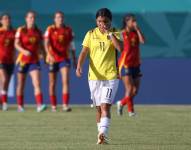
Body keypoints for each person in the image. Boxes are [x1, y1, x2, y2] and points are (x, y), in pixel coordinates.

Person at [76, 8, 122, 144]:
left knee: (105, 106)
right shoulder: (90, 34)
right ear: (96, 21)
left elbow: (120, 48)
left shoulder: (116, 32)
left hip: (111, 75)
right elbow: (84, 52)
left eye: (105, 21)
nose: (102, 24)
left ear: (110, 21)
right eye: (99, 21)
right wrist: (79, 66)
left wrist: (110, 34)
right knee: (98, 109)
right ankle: (100, 135)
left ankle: (103, 133)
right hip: (94, 76)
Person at [44, 11, 77, 112]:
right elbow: (46, 43)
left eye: (61, 17)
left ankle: (65, 105)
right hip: (52, 59)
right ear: (54, 19)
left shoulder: (68, 29)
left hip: (64, 58)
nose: (60, 19)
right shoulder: (50, 29)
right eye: (58, 17)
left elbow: (72, 45)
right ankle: (53, 105)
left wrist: (74, 58)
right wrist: (49, 54)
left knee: (65, 81)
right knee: (52, 83)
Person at [15, 11, 47, 112]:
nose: (32, 19)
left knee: (37, 83)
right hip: (23, 61)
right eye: (30, 17)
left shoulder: (38, 31)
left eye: (33, 17)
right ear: (26, 18)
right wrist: (24, 51)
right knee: (21, 83)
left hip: (34, 61)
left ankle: (39, 105)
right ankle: (20, 106)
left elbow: (41, 46)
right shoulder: (21, 30)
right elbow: (16, 44)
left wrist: (43, 55)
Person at [116, 14, 145, 117]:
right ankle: (131, 111)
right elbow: (118, 46)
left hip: (136, 64)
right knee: (130, 89)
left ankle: (121, 103)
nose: (134, 23)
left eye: (135, 21)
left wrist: (138, 29)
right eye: (132, 21)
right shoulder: (122, 33)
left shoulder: (136, 33)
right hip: (125, 64)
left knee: (135, 90)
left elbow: (143, 41)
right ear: (127, 22)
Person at [0, 13, 15, 111]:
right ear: (1, 21)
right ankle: (5, 103)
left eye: (8, 18)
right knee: (4, 79)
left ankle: (2, 101)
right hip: (1, 60)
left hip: (11, 61)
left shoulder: (14, 32)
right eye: (5, 19)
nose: (7, 20)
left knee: (6, 83)